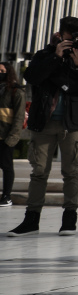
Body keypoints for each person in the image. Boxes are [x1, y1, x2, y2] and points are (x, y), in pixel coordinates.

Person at [8, 17, 78, 237]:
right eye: (71, 38)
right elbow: (31, 77)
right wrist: (56, 56)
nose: (75, 42)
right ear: (60, 36)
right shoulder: (45, 55)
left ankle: (69, 219)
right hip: (44, 122)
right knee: (39, 172)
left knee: (72, 173)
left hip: (74, 124)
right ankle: (31, 220)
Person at [0, 61, 25, 207]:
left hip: (6, 136)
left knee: (6, 166)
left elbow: (19, 117)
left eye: (2, 70)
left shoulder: (16, 91)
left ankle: (6, 196)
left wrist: (13, 138)